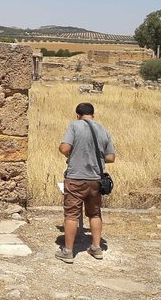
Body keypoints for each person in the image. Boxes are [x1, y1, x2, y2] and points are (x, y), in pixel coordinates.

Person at [55, 102, 116, 263]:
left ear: (78, 115)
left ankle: (68, 251)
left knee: (71, 215)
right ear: (93, 115)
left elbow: (64, 148)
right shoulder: (103, 129)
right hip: (96, 179)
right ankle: (96, 247)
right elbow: (111, 157)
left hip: (76, 177)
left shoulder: (75, 126)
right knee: (95, 213)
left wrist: (75, 155)